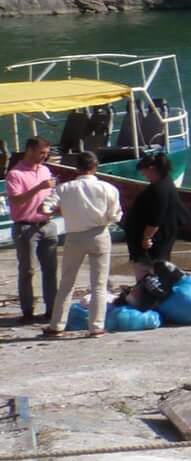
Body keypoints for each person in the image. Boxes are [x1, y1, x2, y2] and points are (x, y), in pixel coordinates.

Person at [49, 152, 122, 337]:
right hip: (99, 234)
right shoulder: (108, 188)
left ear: (77, 168)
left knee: (67, 282)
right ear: (95, 167)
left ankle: (57, 325)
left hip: (74, 236)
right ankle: (96, 327)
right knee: (98, 284)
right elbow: (116, 216)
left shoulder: (64, 188)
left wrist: (65, 210)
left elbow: (46, 207)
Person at [6, 136, 59, 325]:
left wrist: (55, 205)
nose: (44, 157)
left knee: (51, 269)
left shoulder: (45, 170)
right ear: (30, 150)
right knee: (27, 270)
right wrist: (38, 188)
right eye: (41, 153)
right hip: (25, 226)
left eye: (46, 153)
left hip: (47, 224)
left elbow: (52, 194)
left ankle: (52, 309)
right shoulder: (15, 174)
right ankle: (27, 311)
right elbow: (16, 200)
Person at [126, 151, 184, 303]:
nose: (144, 175)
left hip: (156, 239)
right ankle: (150, 299)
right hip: (163, 234)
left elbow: (156, 218)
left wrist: (146, 237)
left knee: (150, 271)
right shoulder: (165, 183)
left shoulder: (159, 189)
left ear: (151, 168)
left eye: (144, 172)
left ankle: (148, 301)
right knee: (156, 270)